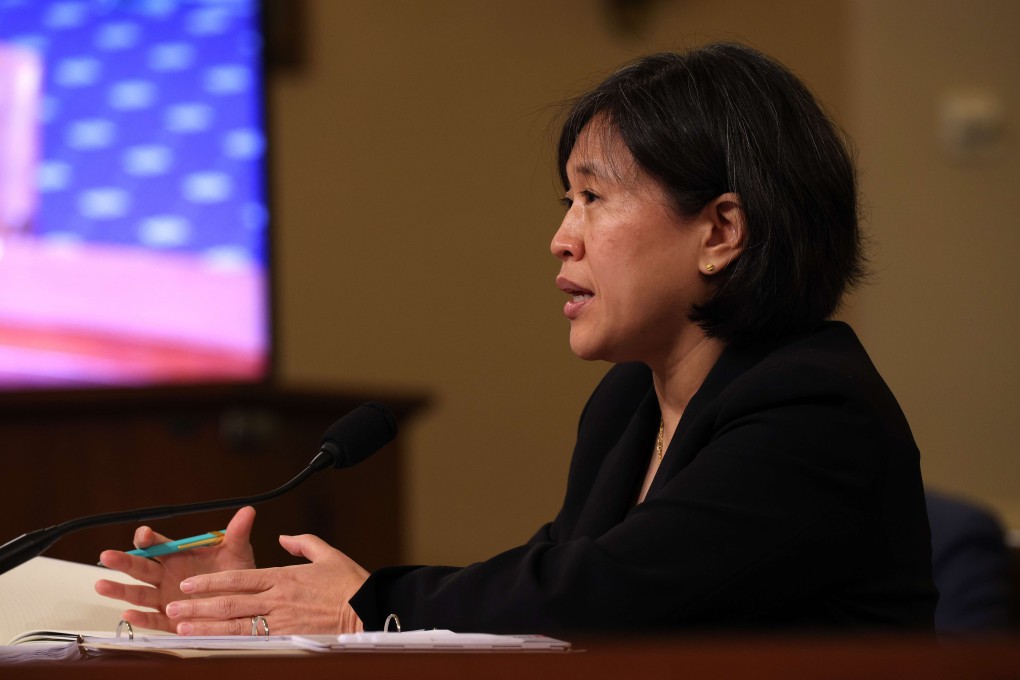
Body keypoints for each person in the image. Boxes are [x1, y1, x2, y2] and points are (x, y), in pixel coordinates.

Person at [96, 43, 937, 635]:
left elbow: (601, 596)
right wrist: (263, 602)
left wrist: (366, 602)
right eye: (564, 204)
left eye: (594, 198)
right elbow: (541, 583)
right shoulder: (627, 406)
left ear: (721, 231)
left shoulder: (814, 408)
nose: (562, 238)